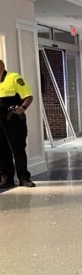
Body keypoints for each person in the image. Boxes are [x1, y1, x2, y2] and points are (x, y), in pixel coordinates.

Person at [0, 59, 35, 188]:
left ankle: (24, 178)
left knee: (18, 150)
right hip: (0, 122)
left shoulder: (14, 78)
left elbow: (28, 96)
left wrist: (23, 108)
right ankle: (7, 179)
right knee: (2, 151)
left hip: (14, 121)